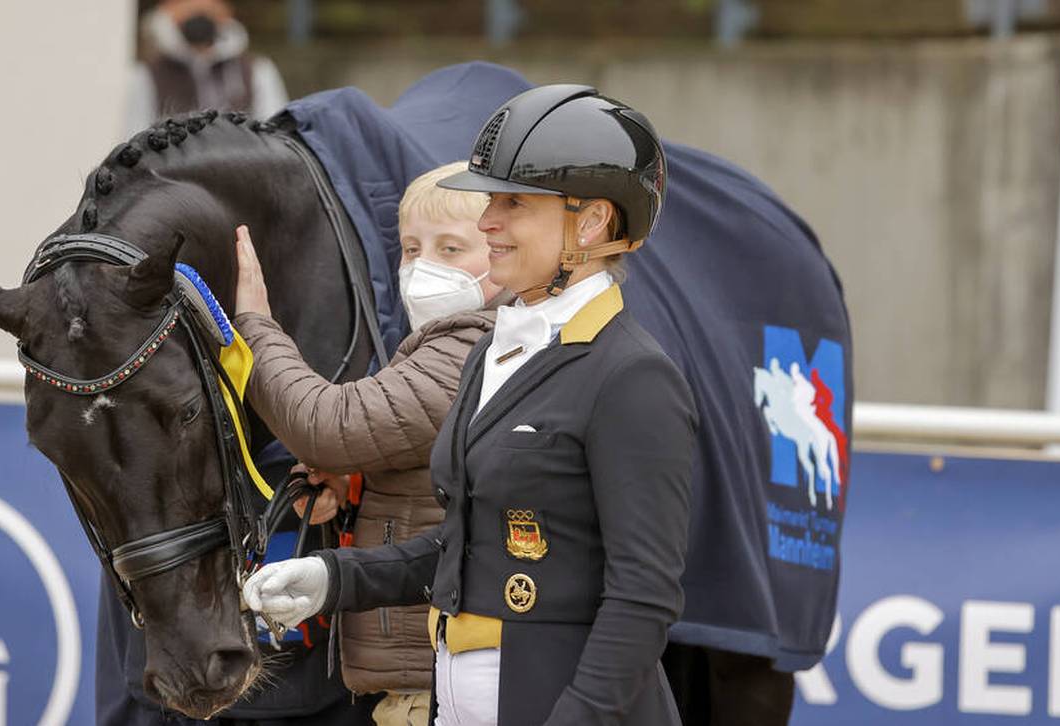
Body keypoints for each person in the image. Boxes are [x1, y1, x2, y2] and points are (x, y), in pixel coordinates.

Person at [242, 85, 699, 726]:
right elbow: (465, 548)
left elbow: (643, 598)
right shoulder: (492, 354)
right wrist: (332, 578)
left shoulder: (631, 377)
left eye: (513, 203)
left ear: (592, 223)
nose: (488, 222)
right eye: (489, 201)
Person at [232, 161, 510, 726]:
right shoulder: (442, 346)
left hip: (433, 689)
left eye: (451, 249)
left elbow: (329, 426)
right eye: (411, 248)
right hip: (419, 676)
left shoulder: (464, 349)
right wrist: (350, 485)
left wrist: (254, 326)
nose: (423, 267)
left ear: (503, 257)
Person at [126, 0, 289, 135]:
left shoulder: (256, 70)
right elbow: (135, 134)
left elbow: (273, 132)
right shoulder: (148, 75)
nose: (198, 7)